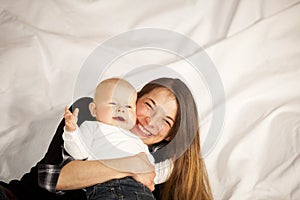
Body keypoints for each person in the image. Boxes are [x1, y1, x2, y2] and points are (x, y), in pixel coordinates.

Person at [0, 77, 213, 200]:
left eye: (166, 121)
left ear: (169, 136)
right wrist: (131, 165)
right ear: (134, 98)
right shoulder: (92, 113)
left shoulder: (158, 165)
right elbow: (54, 179)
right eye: (148, 106)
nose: (150, 121)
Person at [62, 78, 156, 199]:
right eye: (113, 103)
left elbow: (152, 172)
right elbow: (79, 154)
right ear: (94, 110)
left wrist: (169, 168)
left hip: (141, 191)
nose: (121, 109)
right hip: (105, 188)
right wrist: (71, 131)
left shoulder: (137, 140)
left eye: (128, 106)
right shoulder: (92, 127)